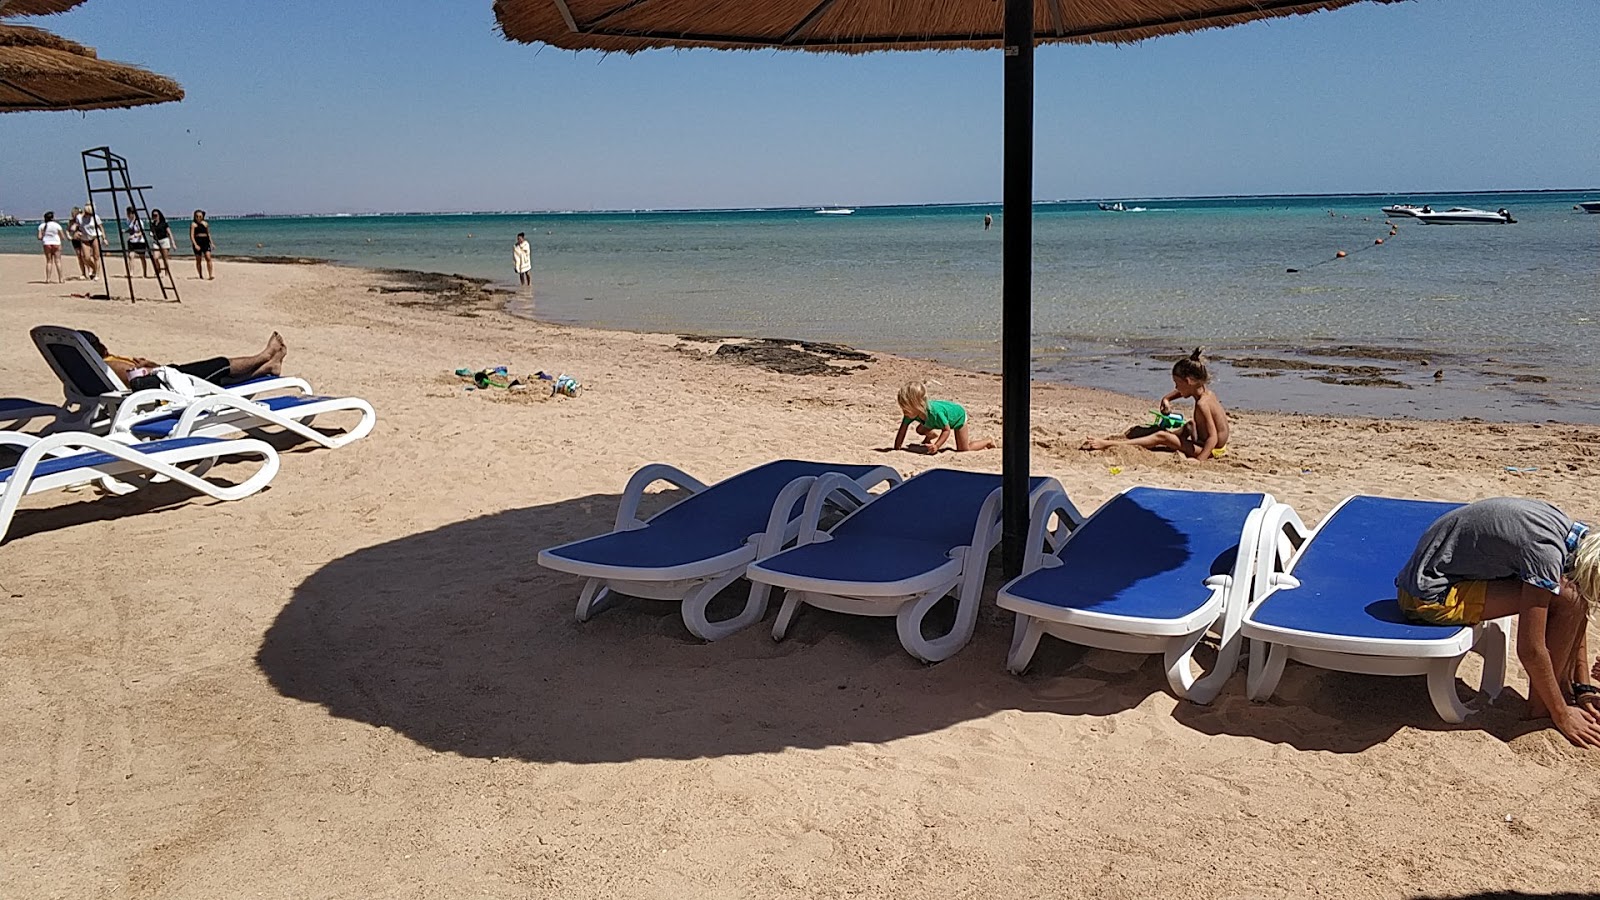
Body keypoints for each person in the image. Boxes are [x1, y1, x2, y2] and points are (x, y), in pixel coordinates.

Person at [1395, 498, 1600, 749]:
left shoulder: (1565, 529)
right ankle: (1541, 711)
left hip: (1441, 573)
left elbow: (1580, 606)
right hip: (1427, 598)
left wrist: (1584, 688)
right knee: (1569, 598)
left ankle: (1564, 692)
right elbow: (1530, 650)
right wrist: (1562, 714)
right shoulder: (1545, 553)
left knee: (1573, 597)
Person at [1081, 348, 1229, 460]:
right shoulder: (1206, 394)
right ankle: (1150, 438)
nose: (1176, 388)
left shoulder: (1202, 404)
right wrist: (1167, 399)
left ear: (1188, 381)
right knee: (1190, 425)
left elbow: (1213, 438)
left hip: (1210, 450)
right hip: (1210, 444)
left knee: (1162, 437)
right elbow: (1184, 392)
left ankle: (1108, 444)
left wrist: (1199, 461)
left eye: (1177, 384)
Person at [81, 330, 287, 389]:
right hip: (167, 384)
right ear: (95, 348)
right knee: (219, 366)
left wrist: (151, 365)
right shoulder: (108, 365)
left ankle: (269, 367)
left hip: (163, 376)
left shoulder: (89, 368)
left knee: (216, 377)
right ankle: (265, 356)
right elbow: (137, 381)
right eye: (98, 342)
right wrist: (154, 369)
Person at [891, 380, 995, 454]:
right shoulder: (910, 413)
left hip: (957, 418)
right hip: (934, 422)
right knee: (919, 430)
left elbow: (946, 430)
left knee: (963, 449)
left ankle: (988, 441)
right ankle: (930, 436)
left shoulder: (935, 413)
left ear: (919, 406)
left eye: (906, 409)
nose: (904, 412)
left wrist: (936, 446)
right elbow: (902, 430)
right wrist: (897, 448)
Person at [36, 211, 65, 283]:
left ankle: (48, 279)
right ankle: (61, 279)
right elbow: (62, 236)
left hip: (47, 243)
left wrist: (44, 236)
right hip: (56, 243)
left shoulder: (42, 226)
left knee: (49, 261)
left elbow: (39, 237)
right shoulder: (57, 225)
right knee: (58, 261)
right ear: (52, 218)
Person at [74, 203, 102, 279]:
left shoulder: (95, 217)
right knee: (86, 257)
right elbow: (77, 226)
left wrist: (104, 237)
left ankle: (97, 274)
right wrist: (76, 232)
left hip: (95, 236)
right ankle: (94, 268)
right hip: (84, 238)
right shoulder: (79, 217)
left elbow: (100, 227)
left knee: (96, 256)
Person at [124, 207, 151, 278]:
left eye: (128, 214)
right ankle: (131, 272)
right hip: (132, 242)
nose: (127, 215)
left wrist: (135, 235)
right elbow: (131, 229)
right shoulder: (129, 221)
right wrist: (125, 231)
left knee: (142, 257)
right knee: (131, 256)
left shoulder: (139, 222)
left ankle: (144, 273)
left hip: (140, 242)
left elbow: (142, 232)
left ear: (132, 214)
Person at [66, 206, 90, 279]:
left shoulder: (83, 220)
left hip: (83, 239)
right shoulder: (71, 221)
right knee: (79, 256)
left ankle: (89, 271)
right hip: (75, 240)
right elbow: (68, 230)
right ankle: (83, 273)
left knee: (85, 256)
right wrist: (69, 236)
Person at [190, 209, 214, 280]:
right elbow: (191, 235)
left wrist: (212, 243)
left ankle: (210, 275)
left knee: (208, 257)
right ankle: (200, 275)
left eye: (200, 216)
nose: (198, 218)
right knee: (198, 260)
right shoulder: (193, 224)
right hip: (198, 242)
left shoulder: (205, 224)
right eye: (197, 216)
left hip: (205, 242)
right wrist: (195, 244)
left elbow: (208, 233)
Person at [148, 208, 173, 276]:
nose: (155, 217)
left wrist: (173, 243)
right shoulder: (152, 224)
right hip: (156, 241)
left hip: (164, 241)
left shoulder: (164, 223)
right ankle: (158, 269)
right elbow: (151, 232)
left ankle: (167, 272)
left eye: (156, 215)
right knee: (155, 257)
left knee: (165, 258)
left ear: (159, 215)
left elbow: (169, 233)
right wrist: (151, 233)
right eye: (153, 215)